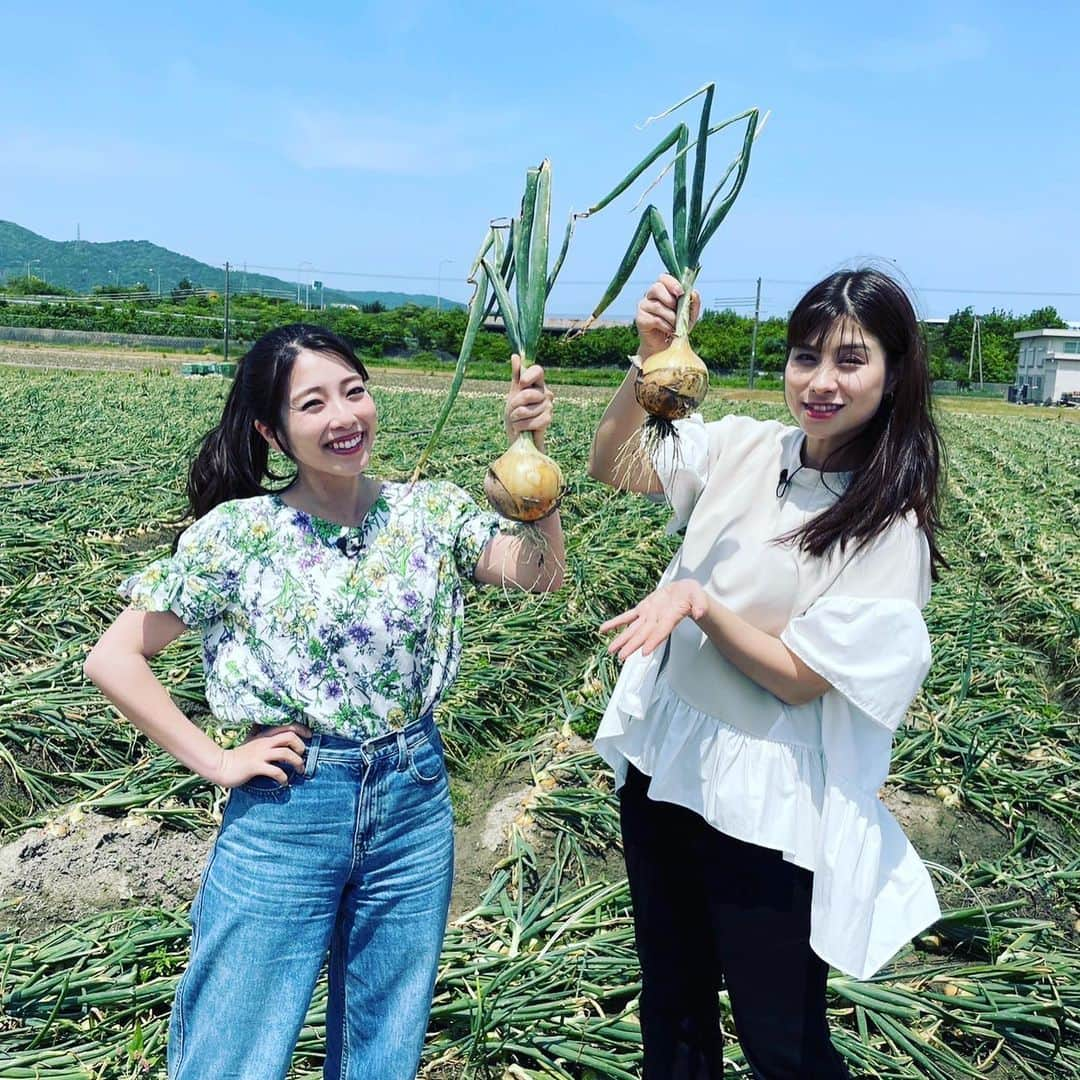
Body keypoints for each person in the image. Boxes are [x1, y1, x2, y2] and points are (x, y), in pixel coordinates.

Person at [84, 324, 564, 1080]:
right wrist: (216, 760)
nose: (344, 416)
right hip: (292, 804)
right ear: (273, 431)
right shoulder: (241, 533)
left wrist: (529, 458)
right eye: (313, 403)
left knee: (384, 1041)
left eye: (354, 391)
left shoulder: (428, 513)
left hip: (413, 798)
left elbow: (539, 572)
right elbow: (114, 657)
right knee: (234, 1045)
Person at [588, 270, 945, 1078]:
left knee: (779, 1034)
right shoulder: (748, 445)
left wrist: (699, 604)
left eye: (850, 361)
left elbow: (798, 678)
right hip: (667, 768)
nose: (820, 382)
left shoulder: (889, 524)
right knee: (672, 1004)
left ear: (895, 372)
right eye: (804, 356)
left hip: (769, 809)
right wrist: (648, 363)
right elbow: (617, 463)